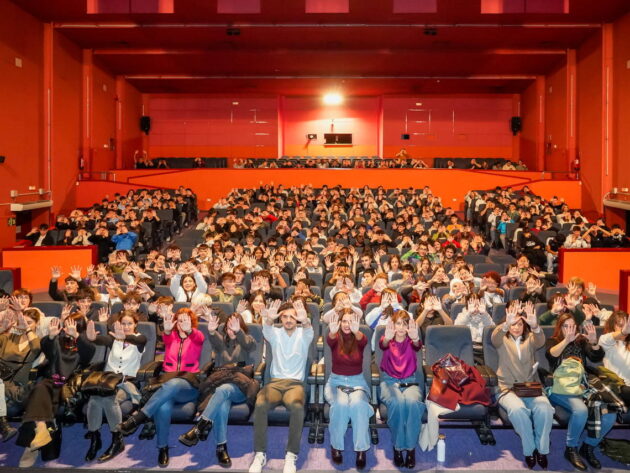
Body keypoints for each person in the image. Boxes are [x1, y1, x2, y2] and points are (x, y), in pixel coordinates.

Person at [117, 308, 205, 467]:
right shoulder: (171, 337)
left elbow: (197, 337)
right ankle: (162, 447)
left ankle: (140, 417)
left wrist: (189, 330)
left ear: (192, 322)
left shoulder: (197, 336)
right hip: (167, 384)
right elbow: (166, 336)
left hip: (188, 386)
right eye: (180, 319)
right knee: (163, 406)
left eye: (186, 320)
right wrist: (166, 329)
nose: (182, 323)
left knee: (175, 383)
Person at [180, 312, 259, 468]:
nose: (231, 328)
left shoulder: (247, 340)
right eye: (229, 325)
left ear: (241, 326)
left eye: (234, 324)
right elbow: (217, 342)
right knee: (222, 402)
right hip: (221, 386)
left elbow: (250, 345)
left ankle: (200, 426)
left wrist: (239, 332)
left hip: (241, 387)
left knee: (224, 390)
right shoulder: (222, 342)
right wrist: (211, 331)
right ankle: (221, 447)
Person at [16, 312, 94, 467]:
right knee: (40, 388)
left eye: (74, 325)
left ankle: (32, 444)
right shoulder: (58, 339)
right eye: (67, 324)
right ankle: (41, 428)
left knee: (39, 392)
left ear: (80, 328)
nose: (69, 328)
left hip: (70, 385)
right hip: (53, 380)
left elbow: (87, 355)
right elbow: (46, 349)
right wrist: (50, 337)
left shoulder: (84, 342)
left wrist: (77, 336)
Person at [249, 300, 314, 473]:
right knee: (260, 405)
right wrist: (269, 319)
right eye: (285, 316)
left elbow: (309, 328)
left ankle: (291, 454)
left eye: (292, 316)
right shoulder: (275, 333)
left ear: (298, 319)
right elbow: (267, 328)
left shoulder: (304, 334)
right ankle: (260, 454)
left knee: (298, 408)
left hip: (295, 385)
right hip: (275, 383)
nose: (288, 319)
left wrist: (305, 319)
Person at [546, 313, 615, 470]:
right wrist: (566, 340)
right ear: (559, 327)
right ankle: (571, 448)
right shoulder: (553, 341)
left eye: (572, 326)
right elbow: (550, 355)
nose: (570, 329)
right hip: (561, 388)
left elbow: (597, 356)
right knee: (581, 410)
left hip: (582, 387)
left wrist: (593, 342)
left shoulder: (581, 342)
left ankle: (588, 446)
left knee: (610, 414)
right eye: (566, 326)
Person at [491, 302, 554, 469]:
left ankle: (542, 450)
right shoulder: (502, 340)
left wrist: (535, 325)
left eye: (519, 324)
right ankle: (529, 450)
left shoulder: (531, 340)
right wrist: (505, 324)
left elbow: (540, 340)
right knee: (518, 410)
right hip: (507, 388)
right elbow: (494, 337)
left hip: (530, 387)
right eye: (513, 324)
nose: (516, 327)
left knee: (545, 409)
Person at [83, 312, 147, 462]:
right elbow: (101, 340)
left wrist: (124, 337)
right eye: (123, 324)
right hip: (106, 381)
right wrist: (93, 338)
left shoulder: (139, 340)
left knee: (109, 399)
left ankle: (117, 439)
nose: (126, 327)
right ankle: (95, 438)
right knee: (94, 399)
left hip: (126, 383)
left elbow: (141, 340)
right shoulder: (114, 339)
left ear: (135, 324)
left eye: (129, 323)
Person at [325, 309, 372, 469]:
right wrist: (332, 332)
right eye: (344, 321)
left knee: (359, 405)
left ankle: (361, 449)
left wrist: (356, 330)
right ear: (339, 323)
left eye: (350, 321)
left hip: (357, 381)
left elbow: (363, 340)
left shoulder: (360, 338)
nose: (347, 325)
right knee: (341, 405)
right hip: (336, 381)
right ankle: (336, 446)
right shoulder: (334, 337)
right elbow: (330, 340)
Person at [379, 310, 424, 469]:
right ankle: (398, 448)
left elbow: (418, 346)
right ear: (393, 324)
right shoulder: (387, 339)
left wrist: (416, 336)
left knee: (412, 404)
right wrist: (388, 337)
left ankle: (411, 449)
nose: (401, 327)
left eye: (405, 324)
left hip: (409, 381)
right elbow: (382, 344)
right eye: (398, 323)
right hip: (389, 382)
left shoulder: (412, 341)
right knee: (397, 403)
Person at [0, 306, 42, 443]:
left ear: (37, 324)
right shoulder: (10, 336)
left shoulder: (38, 340)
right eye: (22, 322)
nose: (24, 325)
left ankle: (4, 426)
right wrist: (2, 328)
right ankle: (4, 426)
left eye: (29, 322)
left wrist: (27, 329)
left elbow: (36, 349)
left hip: (15, 388)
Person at [598, 311, 630, 406]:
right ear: (613, 325)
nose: (624, 328)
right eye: (620, 325)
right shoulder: (605, 340)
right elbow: (612, 337)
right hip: (617, 388)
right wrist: (623, 332)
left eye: (626, 325)